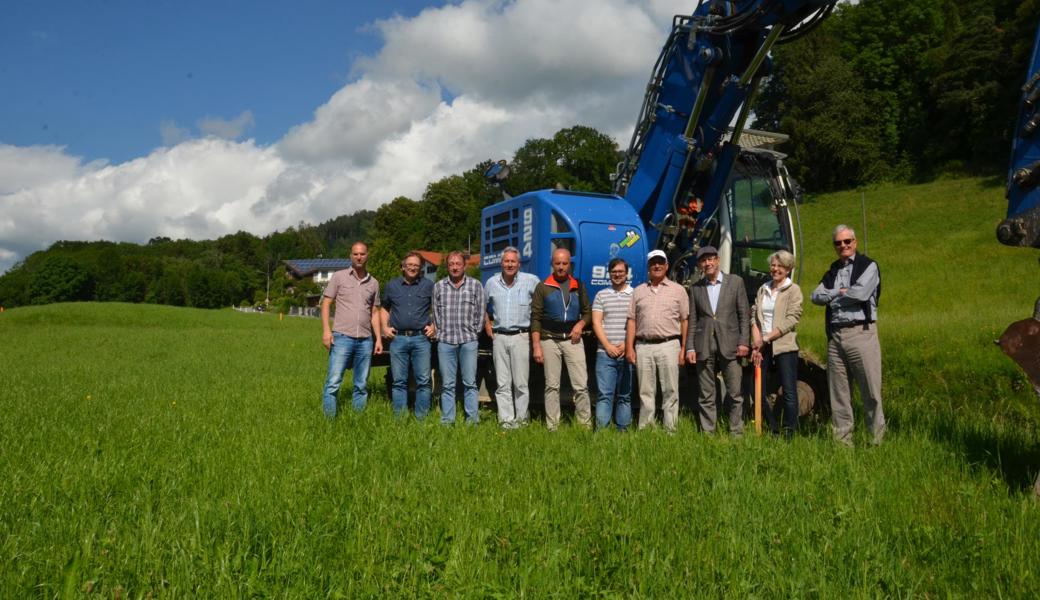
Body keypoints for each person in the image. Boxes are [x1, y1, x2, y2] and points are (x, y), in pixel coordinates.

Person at [811, 225, 884, 446]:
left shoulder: (868, 265)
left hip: (861, 333)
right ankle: (843, 444)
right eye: (838, 243)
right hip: (835, 337)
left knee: (870, 391)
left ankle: (876, 442)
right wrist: (838, 292)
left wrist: (832, 298)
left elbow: (860, 293)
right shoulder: (832, 270)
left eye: (847, 241)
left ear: (855, 241)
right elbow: (815, 295)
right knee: (839, 394)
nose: (843, 246)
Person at [686, 245, 750, 436]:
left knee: (735, 393)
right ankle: (708, 433)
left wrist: (744, 342)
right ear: (699, 264)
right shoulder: (696, 288)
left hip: (730, 345)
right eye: (703, 260)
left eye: (711, 259)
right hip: (704, 345)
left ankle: (736, 432)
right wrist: (690, 347)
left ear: (718, 260)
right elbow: (693, 320)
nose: (708, 263)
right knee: (706, 394)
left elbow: (744, 315)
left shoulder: (735, 282)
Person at [626, 250, 689, 432]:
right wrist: (630, 347)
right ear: (648, 267)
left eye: (661, 262)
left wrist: (684, 348)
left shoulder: (679, 290)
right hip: (643, 345)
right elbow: (632, 320)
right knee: (645, 391)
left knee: (670, 390)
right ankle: (646, 428)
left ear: (667, 266)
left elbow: (685, 320)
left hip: (669, 345)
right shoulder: (638, 291)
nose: (657, 266)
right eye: (653, 263)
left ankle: (671, 429)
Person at [531, 247, 592, 431]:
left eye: (564, 263)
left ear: (569, 265)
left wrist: (580, 325)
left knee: (581, 385)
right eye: (557, 263)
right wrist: (536, 347)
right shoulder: (543, 287)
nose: (561, 267)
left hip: (572, 341)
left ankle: (584, 425)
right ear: (552, 264)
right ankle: (553, 426)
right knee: (552, 386)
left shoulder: (578, 286)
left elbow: (588, 312)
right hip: (549, 340)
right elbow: (535, 317)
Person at [320, 241, 383, 418]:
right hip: (342, 337)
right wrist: (326, 331)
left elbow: (375, 312)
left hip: (365, 340)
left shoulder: (374, 283)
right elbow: (326, 304)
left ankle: (357, 420)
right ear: (350, 256)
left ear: (367, 255)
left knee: (361, 384)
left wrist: (378, 338)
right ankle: (329, 421)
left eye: (362, 254)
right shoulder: (339, 277)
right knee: (333, 382)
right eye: (355, 254)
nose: (359, 257)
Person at [484, 246, 540, 429]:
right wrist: (487, 324)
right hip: (499, 337)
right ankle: (506, 421)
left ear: (519, 263)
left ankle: (522, 421)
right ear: (501, 263)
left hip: (521, 337)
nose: (509, 264)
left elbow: (541, 307)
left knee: (521, 383)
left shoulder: (531, 281)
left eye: (513, 261)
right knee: (502, 383)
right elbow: (482, 306)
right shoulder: (491, 283)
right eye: (506, 261)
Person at [750, 250, 803, 439]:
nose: (775, 269)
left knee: (788, 390)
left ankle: (789, 433)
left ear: (788, 269)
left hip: (784, 345)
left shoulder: (793, 290)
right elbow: (755, 317)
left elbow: (791, 319)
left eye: (780, 266)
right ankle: (772, 428)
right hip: (762, 345)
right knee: (756, 388)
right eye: (773, 265)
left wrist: (768, 337)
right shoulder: (763, 288)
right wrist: (757, 343)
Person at [433, 250, 486, 425]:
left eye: (458, 264)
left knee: (470, 383)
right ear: (447, 266)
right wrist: (441, 333)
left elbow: (480, 312)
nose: (454, 267)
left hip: (468, 341)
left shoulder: (475, 285)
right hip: (446, 341)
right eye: (451, 264)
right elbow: (436, 313)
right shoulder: (439, 286)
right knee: (447, 384)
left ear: (464, 265)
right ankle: (448, 420)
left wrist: (474, 332)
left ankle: (472, 420)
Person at [381, 251, 436, 420]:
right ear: (403, 266)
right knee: (399, 382)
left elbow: (438, 308)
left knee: (424, 381)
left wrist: (434, 325)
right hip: (399, 339)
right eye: (409, 265)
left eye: (416, 266)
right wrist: (384, 327)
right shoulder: (392, 286)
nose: (413, 268)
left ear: (420, 269)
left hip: (421, 339)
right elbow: (384, 308)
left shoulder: (429, 285)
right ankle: (400, 418)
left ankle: (421, 418)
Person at [591, 257, 635, 431]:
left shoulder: (634, 295)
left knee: (625, 395)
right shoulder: (601, 295)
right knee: (604, 395)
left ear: (626, 273)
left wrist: (626, 345)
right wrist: (608, 346)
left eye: (620, 272)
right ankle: (602, 432)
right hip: (604, 353)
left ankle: (622, 430)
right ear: (609, 274)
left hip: (627, 351)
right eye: (614, 272)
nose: (617, 275)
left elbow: (637, 322)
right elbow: (596, 322)